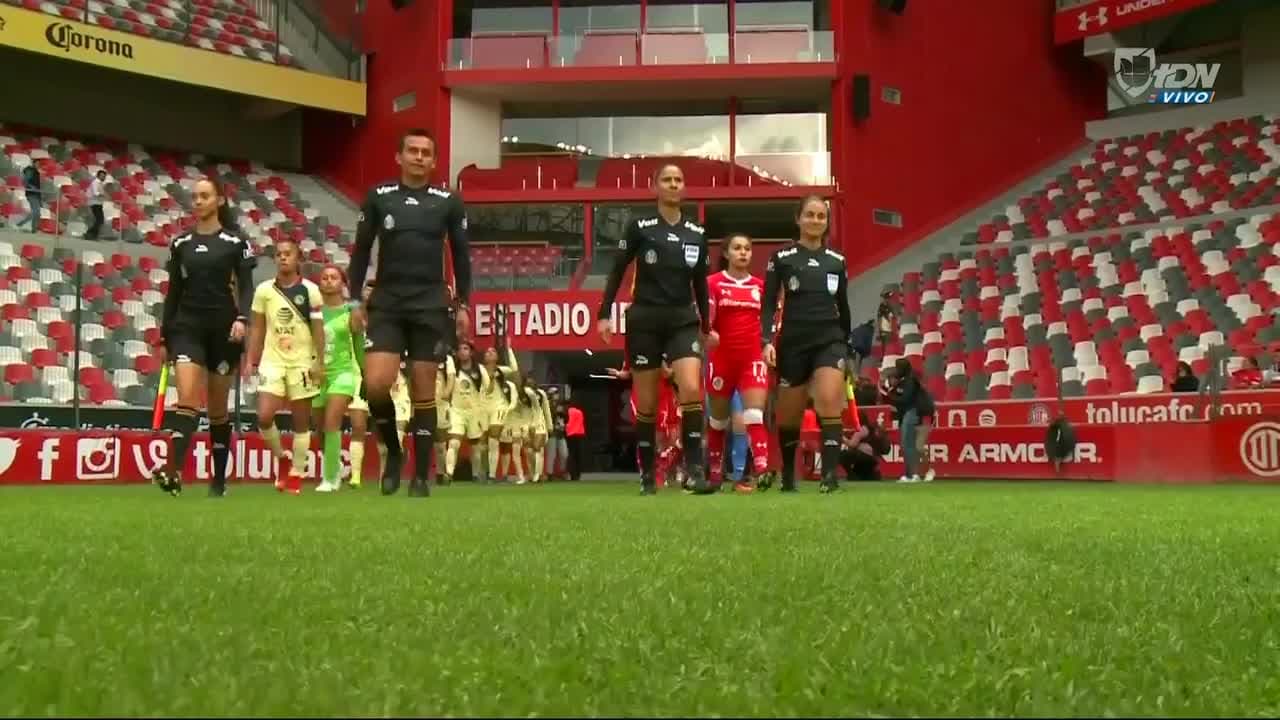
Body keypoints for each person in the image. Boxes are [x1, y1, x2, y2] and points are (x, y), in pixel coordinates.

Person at [346, 128, 471, 496]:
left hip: (430, 303)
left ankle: (420, 477)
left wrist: (464, 303)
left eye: (426, 152)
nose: (419, 157)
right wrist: (354, 300)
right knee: (376, 385)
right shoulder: (379, 197)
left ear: (434, 161)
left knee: (423, 387)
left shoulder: (448, 201)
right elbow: (361, 250)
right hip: (387, 301)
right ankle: (394, 452)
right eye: (412, 151)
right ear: (399, 157)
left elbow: (461, 255)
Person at [596, 163, 711, 495]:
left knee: (691, 387)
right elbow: (618, 269)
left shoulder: (697, 232)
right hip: (645, 320)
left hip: (683, 320)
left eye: (678, 179)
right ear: (655, 186)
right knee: (646, 402)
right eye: (667, 179)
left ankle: (695, 472)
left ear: (684, 187)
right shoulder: (639, 227)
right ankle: (648, 475)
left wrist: (706, 324)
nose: (673, 184)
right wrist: (604, 314)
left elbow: (700, 283)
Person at [151, 177, 256, 497]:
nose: (197, 201)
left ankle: (218, 481)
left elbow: (247, 287)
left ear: (219, 200)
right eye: (195, 196)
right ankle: (173, 471)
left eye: (204, 196)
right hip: (187, 328)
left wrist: (243, 319)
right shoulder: (180, 244)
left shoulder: (237, 242)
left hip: (224, 331)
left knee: (217, 410)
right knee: (187, 398)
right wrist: (164, 337)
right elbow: (173, 292)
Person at [760, 194, 852, 493]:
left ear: (827, 222)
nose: (815, 220)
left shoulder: (837, 261)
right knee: (789, 415)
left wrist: (847, 343)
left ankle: (829, 477)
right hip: (793, 341)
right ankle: (788, 475)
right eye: (810, 215)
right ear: (798, 219)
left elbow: (844, 306)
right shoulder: (781, 258)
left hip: (829, 339)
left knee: (828, 400)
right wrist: (766, 340)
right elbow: (769, 303)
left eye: (821, 216)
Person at [246, 239, 326, 494]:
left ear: (297, 258)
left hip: (302, 363)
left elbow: (319, 330)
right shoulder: (264, 291)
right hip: (272, 361)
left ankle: (296, 473)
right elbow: (257, 328)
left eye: (287, 254)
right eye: (279, 254)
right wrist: (251, 359)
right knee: (264, 416)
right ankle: (282, 457)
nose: (282, 258)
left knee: (301, 422)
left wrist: (320, 362)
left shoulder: (311, 291)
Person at [705, 233, 774, 494]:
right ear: (726, 253)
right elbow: (705, 318)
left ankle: (762, 471)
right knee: (718, 420)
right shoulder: (713, 283)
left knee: (754, 414)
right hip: (721, 359)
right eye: (737, 248)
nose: (743, 252)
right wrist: (707, 332)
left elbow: (769, 321)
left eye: (747, 248)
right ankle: (714, 474)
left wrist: (769, 344)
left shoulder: (760, 287)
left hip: (751, 358)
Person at [310, 265, 365, 492]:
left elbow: (359, 345)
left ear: (343, 283)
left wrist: (365, 373)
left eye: (334, 277)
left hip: (343, 373)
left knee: (332, 421)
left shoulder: (351, 311)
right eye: (325, 277)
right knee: (320, 428)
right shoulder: (313, 312)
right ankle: (335, 467)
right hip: (317, 374)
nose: (329, 281)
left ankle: (330, 479)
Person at [882, 358, 936, 483]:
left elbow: (905, 400)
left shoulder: (910, 382)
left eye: (898, 367)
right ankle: (911, 474)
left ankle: (916, 473)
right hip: (910, 415)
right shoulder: (903, 383)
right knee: (908, 446)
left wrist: (889, 396)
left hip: (916, 415)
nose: (896, 371)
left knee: (913, 446)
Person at [445, 342, 488, 483]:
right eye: (460, 349)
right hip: (456, 410)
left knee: (475, 446)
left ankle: (475, 475)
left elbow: (487, 391)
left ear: (471, 352)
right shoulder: (453, 370)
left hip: (475, 412)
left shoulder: (480, 370)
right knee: (454, 443)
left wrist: (484, 415)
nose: (462, 351)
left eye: (465, 349)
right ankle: (448, 474)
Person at [480, 345, 519, 483]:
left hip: (498, 407)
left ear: (497, 357)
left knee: (493, 440)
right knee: (482, 446)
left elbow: (514, 369)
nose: (490, 353)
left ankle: (492, 475)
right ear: (484, 357)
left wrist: (509, 349)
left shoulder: (501, 371)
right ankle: (484, 471)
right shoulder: (479, 370)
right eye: (487, 351)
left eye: (493, 351)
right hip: (482, 409)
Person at [839, 409, 890, 481]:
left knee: (842, 455)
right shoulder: (872, 427)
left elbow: (852, 444)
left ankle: (851, 475)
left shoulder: (861, 429)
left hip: (864, 457)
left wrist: (842, 438)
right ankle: (872, 475)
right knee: (861, 473)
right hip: (874, 459)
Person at [546, 399, 569, 481]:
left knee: (564, 454)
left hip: (561, 435)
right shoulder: (549, 412)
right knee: (551, 455)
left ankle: (562, 472)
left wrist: (562, 415)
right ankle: (550, 474)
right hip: (552, 435)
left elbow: (566, 422)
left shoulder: (563, 414)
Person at [84, 169, 110, 240]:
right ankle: (90, 233)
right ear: (98, 176)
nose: (103, 177)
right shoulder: (95, 183)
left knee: (100, 220)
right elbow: (96, 193)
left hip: (98, 203)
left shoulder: (100, 183)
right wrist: (104, 195)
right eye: (102, 176)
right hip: (94, 203)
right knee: (100, 220)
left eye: (104, 176)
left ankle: (93, 235)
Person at [16, 163, 41, 233]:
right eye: (38, 163)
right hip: (32, 194)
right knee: (36, 212)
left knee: (36, 213)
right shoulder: (30, 170)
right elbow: (24, 181)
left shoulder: (36, 172)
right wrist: (31, 187)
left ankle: (33, 229)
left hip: (36, 194)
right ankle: (22, 224)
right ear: (34, 163)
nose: (39, 165)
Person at [565, 400, 586, 482]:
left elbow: (568, 423)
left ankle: (573, 474)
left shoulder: (569, 412)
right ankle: (578, 474)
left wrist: (565, 427)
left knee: (572, 455)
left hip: (571, 434)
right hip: (580, 434)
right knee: (578, 455)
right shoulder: (579, 412)